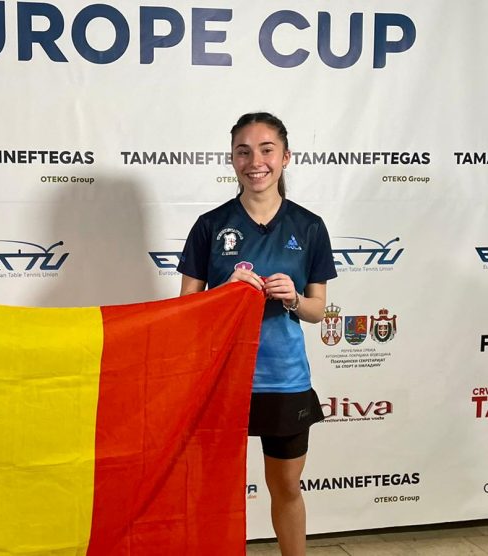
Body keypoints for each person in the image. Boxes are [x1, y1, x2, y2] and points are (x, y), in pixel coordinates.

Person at [177, 112, 336, 556]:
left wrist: (293, 298)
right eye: (243, 152)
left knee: (286, 487)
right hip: (222, 379)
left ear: (286, 156)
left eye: (267, 150)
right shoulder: (210, 225)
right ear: (232, 159)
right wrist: (223, 293)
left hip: (284, 380)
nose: (255, 162)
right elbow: (186, 311)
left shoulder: (309, 226)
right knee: (211, 489)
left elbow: (318, 310)